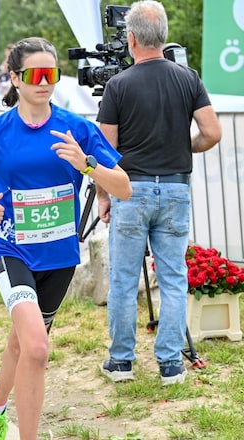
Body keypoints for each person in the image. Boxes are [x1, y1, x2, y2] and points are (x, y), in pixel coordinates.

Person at [0, 37, 132, 440]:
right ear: (14, 77)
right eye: (35, 74)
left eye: (52, 74)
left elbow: (124, 187)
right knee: (37, 348)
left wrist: (87, 164)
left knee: (21, 344)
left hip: (60, 256)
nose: (45, 82)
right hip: (11, 249)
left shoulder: (75, 127)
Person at [96, 1, 222, 387]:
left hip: (131, 190)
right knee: (172, 278)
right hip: (175, 189)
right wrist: (187, 147)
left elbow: (104, 152)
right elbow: (213, 132)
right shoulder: (189, 78)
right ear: (163, 36)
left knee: (123, 280)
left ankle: (121, 363)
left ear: (130, 39)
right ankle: (170, 364)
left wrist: (103, 198)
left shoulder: (118, 85)